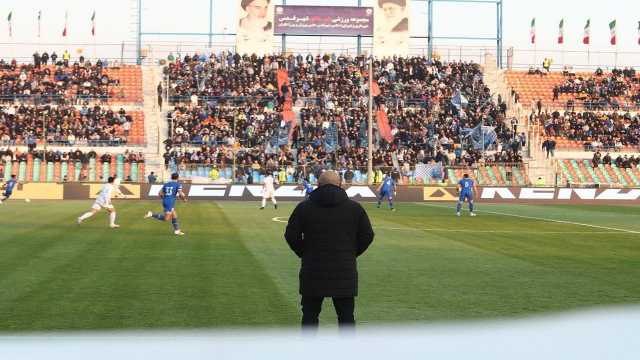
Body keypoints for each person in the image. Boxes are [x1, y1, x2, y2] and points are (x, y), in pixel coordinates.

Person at [285, 170, 374, 330]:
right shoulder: (355, 208)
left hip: (313, 270)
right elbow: (367, 235)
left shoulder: (304, 207)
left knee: (310, 317)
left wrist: (304, 253)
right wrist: (351, 253)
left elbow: (291, 235)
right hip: (344, 271)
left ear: (318, 185)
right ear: (341, 185)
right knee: (346, 317)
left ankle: (309, 351)